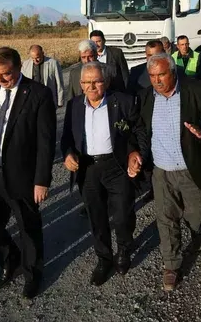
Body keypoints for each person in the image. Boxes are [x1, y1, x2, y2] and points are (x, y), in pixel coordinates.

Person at [0, 47, 56, 299]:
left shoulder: (38, 94)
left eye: (6, 74)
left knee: (28, 228)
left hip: (22, 176)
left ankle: (33, 274)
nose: (0, 79)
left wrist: (41, 180)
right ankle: (11, 260)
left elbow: (46, 142)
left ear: (19, 67)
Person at [129, 54, 201, 291]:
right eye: (152, 76)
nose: (157, 80)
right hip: (161, 170)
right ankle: (171, 264)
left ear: (173, 72)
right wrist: (135, 153)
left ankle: (195, 230)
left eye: (162, 75)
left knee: (197, 213)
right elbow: (141, 131)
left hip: (191, 168)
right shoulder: (145, 97)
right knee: (166, 218)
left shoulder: (197, 90)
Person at [60, 62, 139, 285]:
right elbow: (66, 138)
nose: (91, 86)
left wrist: (133, 151)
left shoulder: (122, 101)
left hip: (116, 166)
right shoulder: (74, 105)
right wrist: (68, 154)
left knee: (122, 214)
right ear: (80, 84)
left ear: (106, 81)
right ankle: (104, 259)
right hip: (88, 168)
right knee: (97, 217)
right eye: (87, 82)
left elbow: (137, 130)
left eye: (96, 81)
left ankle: (123, 250)